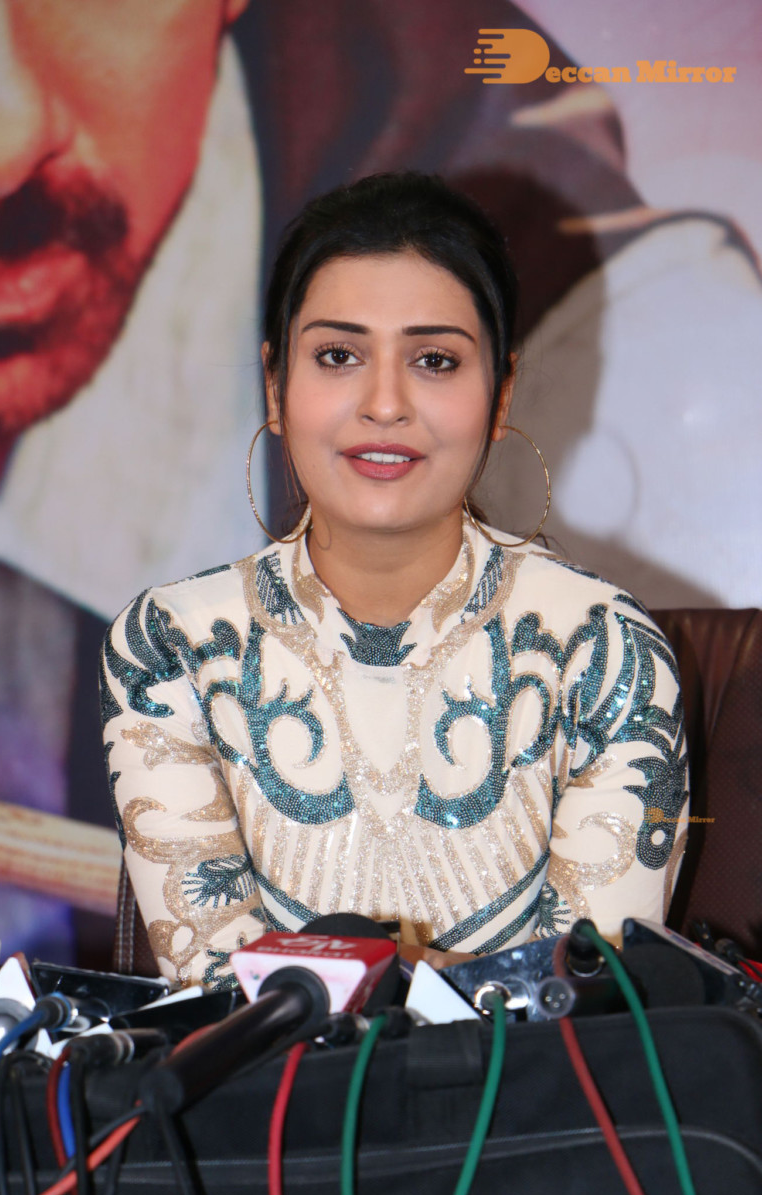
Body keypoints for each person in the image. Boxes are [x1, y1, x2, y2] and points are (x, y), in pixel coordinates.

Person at [100, 173, 689, 990]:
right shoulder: (170, 648)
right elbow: (219, 996)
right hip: (270, 1080)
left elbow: (584, 997)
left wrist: (362, 978)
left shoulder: (604, 648)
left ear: (501, 394)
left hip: (533, 1083)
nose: (385, 404)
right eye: (338, 356)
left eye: (435, 360)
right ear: (275, 386)